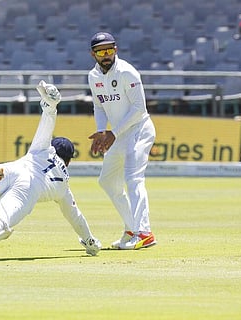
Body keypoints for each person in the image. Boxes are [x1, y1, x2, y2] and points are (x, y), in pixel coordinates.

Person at [0, 80, 102, 262]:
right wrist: (89, 241)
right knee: (3, 218)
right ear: (69, 161)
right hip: (30, 188)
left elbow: (46, 126)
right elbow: (75, 218)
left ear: (53, 148)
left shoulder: (44, 149)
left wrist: (50, 106)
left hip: (15, 169)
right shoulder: (64, 185)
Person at [87, 32, 156, 250]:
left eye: (109, 50)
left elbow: (139, 109)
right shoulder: (93, 76)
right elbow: (99, 106)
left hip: (138, 130)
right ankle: (131, 228)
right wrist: (101, 131)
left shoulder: (127, 72)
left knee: (133, 178)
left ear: (116, 49)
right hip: (117, 134)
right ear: (93, 54)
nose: (106, 55)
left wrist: (112, 133)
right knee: (106, 181)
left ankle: (144, 233)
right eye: (101, 52)